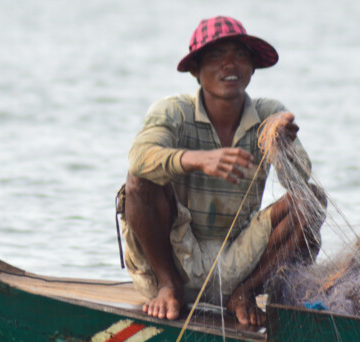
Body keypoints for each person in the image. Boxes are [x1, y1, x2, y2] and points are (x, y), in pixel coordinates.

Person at [119, 16, 326, 326]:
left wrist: (281, 146)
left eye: (240, 55)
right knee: (138, 182)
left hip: (241, 261)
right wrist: (197, 159)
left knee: (311, 198)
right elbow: (139, 158)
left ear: (253, 68)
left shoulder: (269, 114)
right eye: (216, 56)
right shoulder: (174, 111)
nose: (229, 64)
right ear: (195, 70)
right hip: (176, 255)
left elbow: (296, 180)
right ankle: (167, 287)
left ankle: (245, 293)